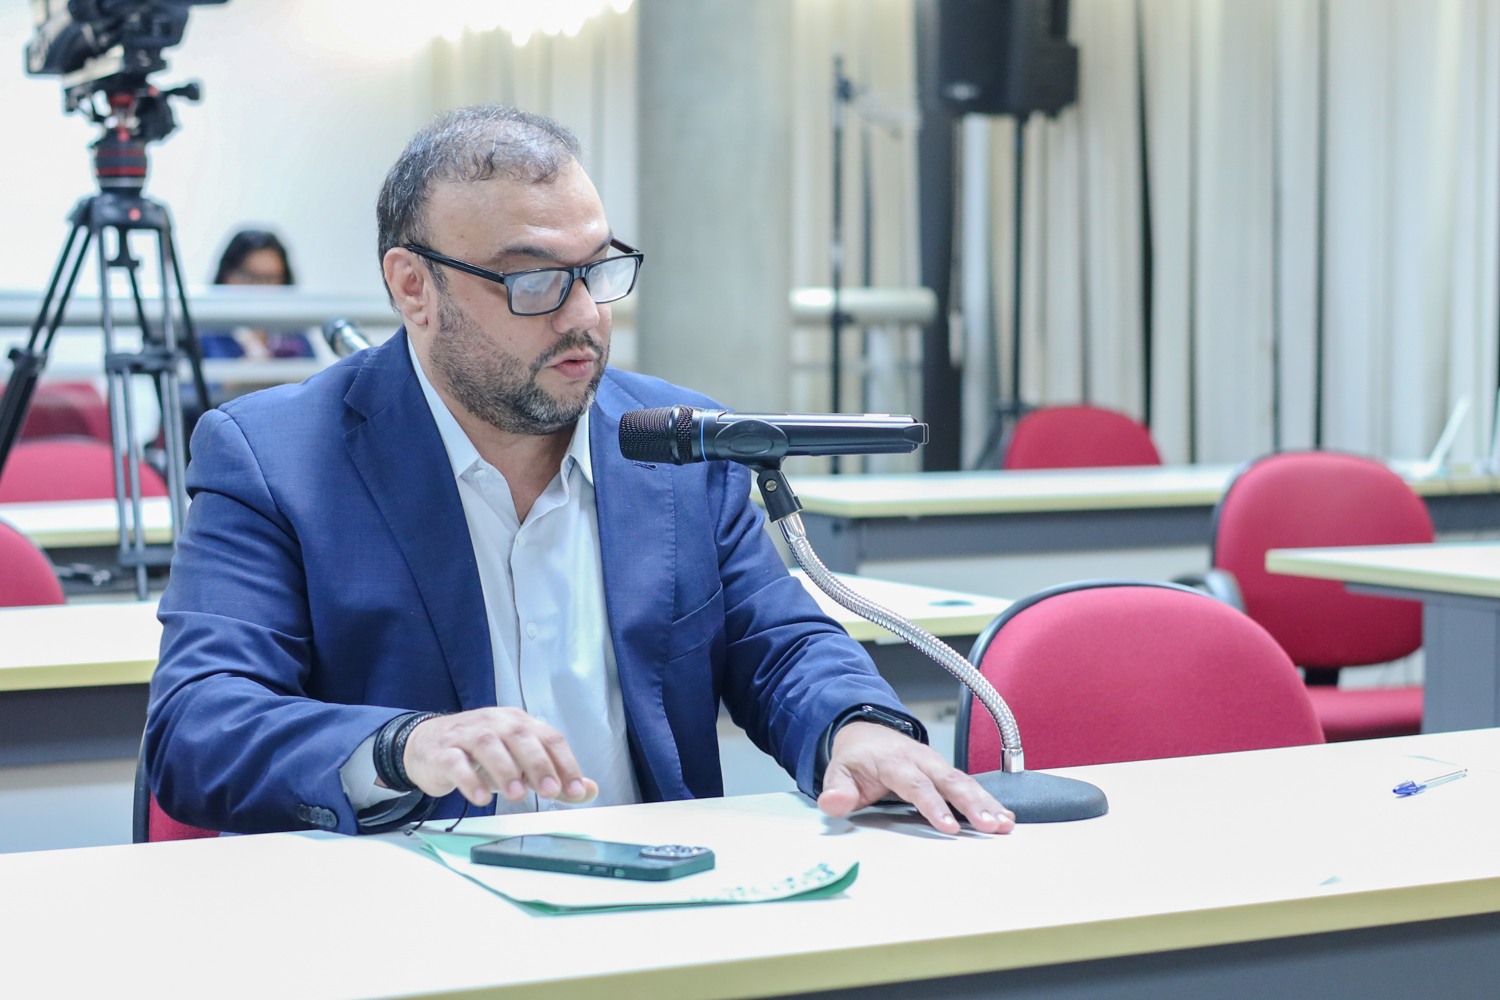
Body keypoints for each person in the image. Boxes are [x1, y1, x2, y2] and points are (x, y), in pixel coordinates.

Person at [146, 106, 1014, 838]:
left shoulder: (676, 444)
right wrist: (400, 748)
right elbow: (198, 728)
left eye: (597, 269)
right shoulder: (276, 457)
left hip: (658, 905)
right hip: (408, 922)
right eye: (533, 281)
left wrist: (855, 728)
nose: (585, 316)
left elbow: (778, 644)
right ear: (413, 288)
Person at [198, 230, 315, 361]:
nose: (261, 290)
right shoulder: (205, 336)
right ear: (226, 276)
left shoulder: (294, 337)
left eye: (270, 279)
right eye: (250, 277)